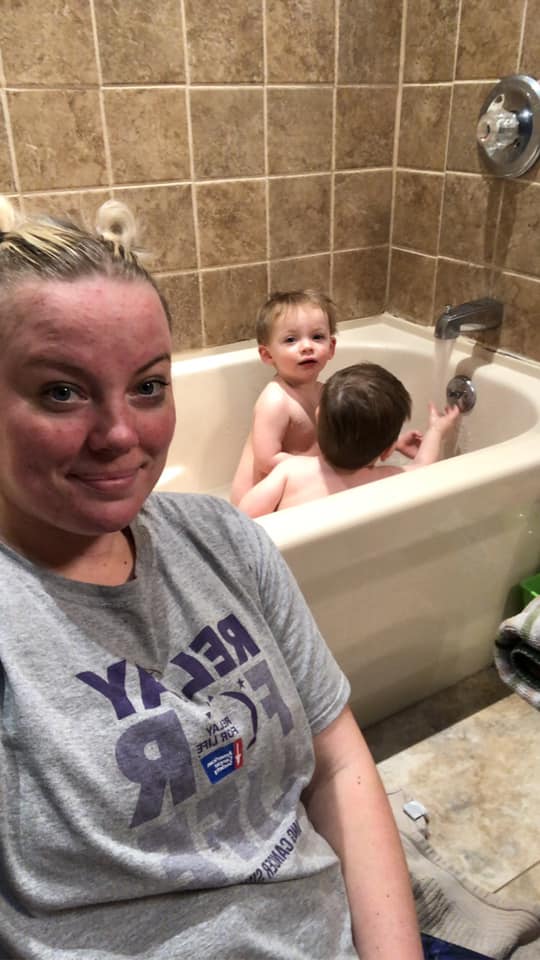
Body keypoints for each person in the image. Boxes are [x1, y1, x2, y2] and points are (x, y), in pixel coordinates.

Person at [0, 197, 423, 960]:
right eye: (62, 390)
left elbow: (339, 760)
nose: (122, 434)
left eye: (149, 385)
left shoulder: (226, 538)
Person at [230, 290, 422, 506]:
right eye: (291, 339)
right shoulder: (275, 400)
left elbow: (344, 438)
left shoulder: (327, 391)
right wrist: (322, 469)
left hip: (297, 488)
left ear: (331, 347)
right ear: (267, 355)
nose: (307, 346)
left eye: (317, 337)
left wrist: (388, 444)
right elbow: (267, 461)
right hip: (258, 499)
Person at [239, 363, 460, 518]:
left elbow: (244, 516)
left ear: (318, 419)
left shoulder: (290, 472)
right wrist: (436, 431)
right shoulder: (386, 478)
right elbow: (423, 466)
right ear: (387, 451)